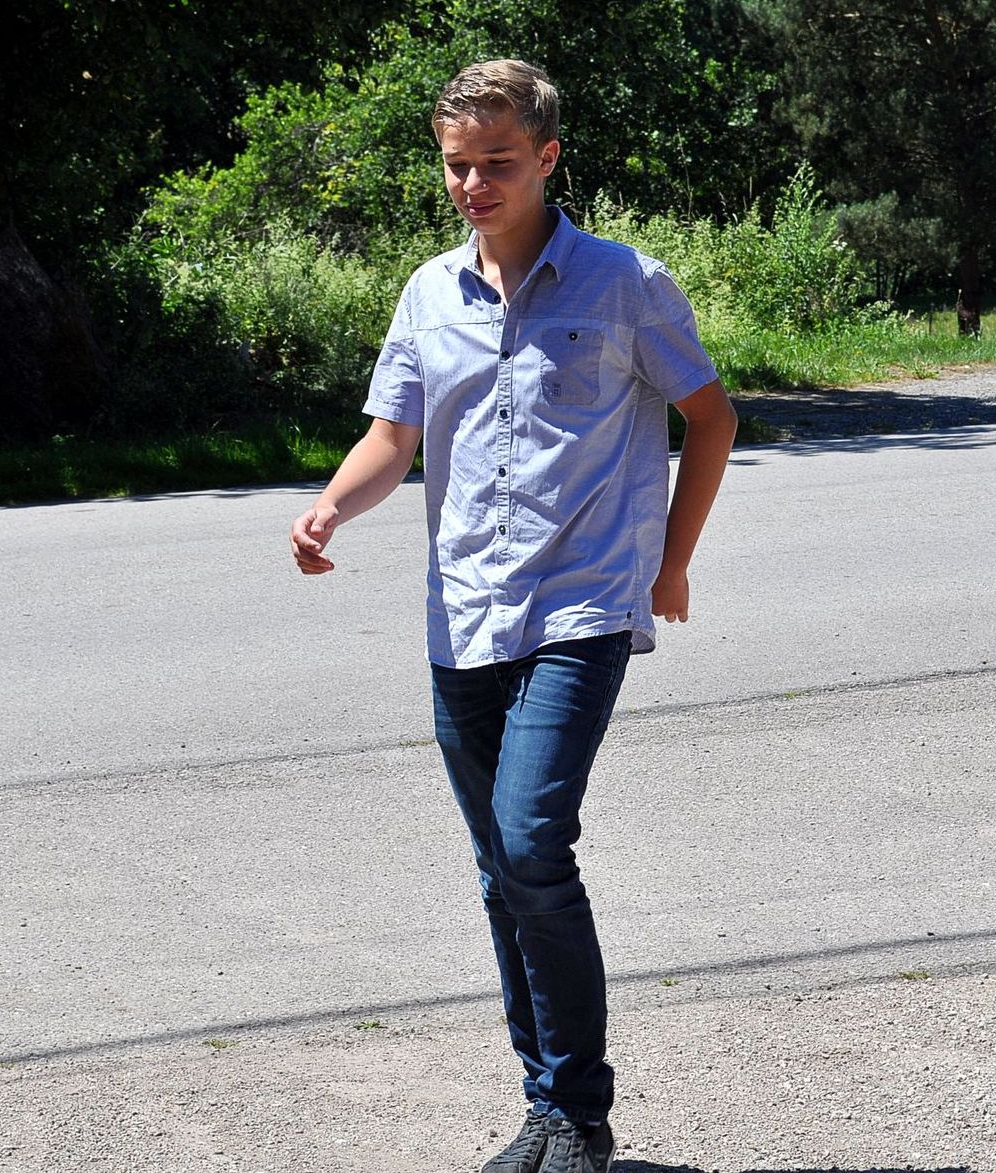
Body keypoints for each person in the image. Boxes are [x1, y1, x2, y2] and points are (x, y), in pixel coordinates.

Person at [289, 58, 737, 1173]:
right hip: (463, 613)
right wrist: (332, 507)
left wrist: (671, 562)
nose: (474, 185)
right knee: (502, 867)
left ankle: (579, 1111)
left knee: (533, 838)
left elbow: (711, 417)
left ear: (546, 157)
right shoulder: (428, 293)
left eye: (496, 162)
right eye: (457, 166)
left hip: (583, 602)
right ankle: (545, 1110)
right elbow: (395, 435)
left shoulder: (624, 282)